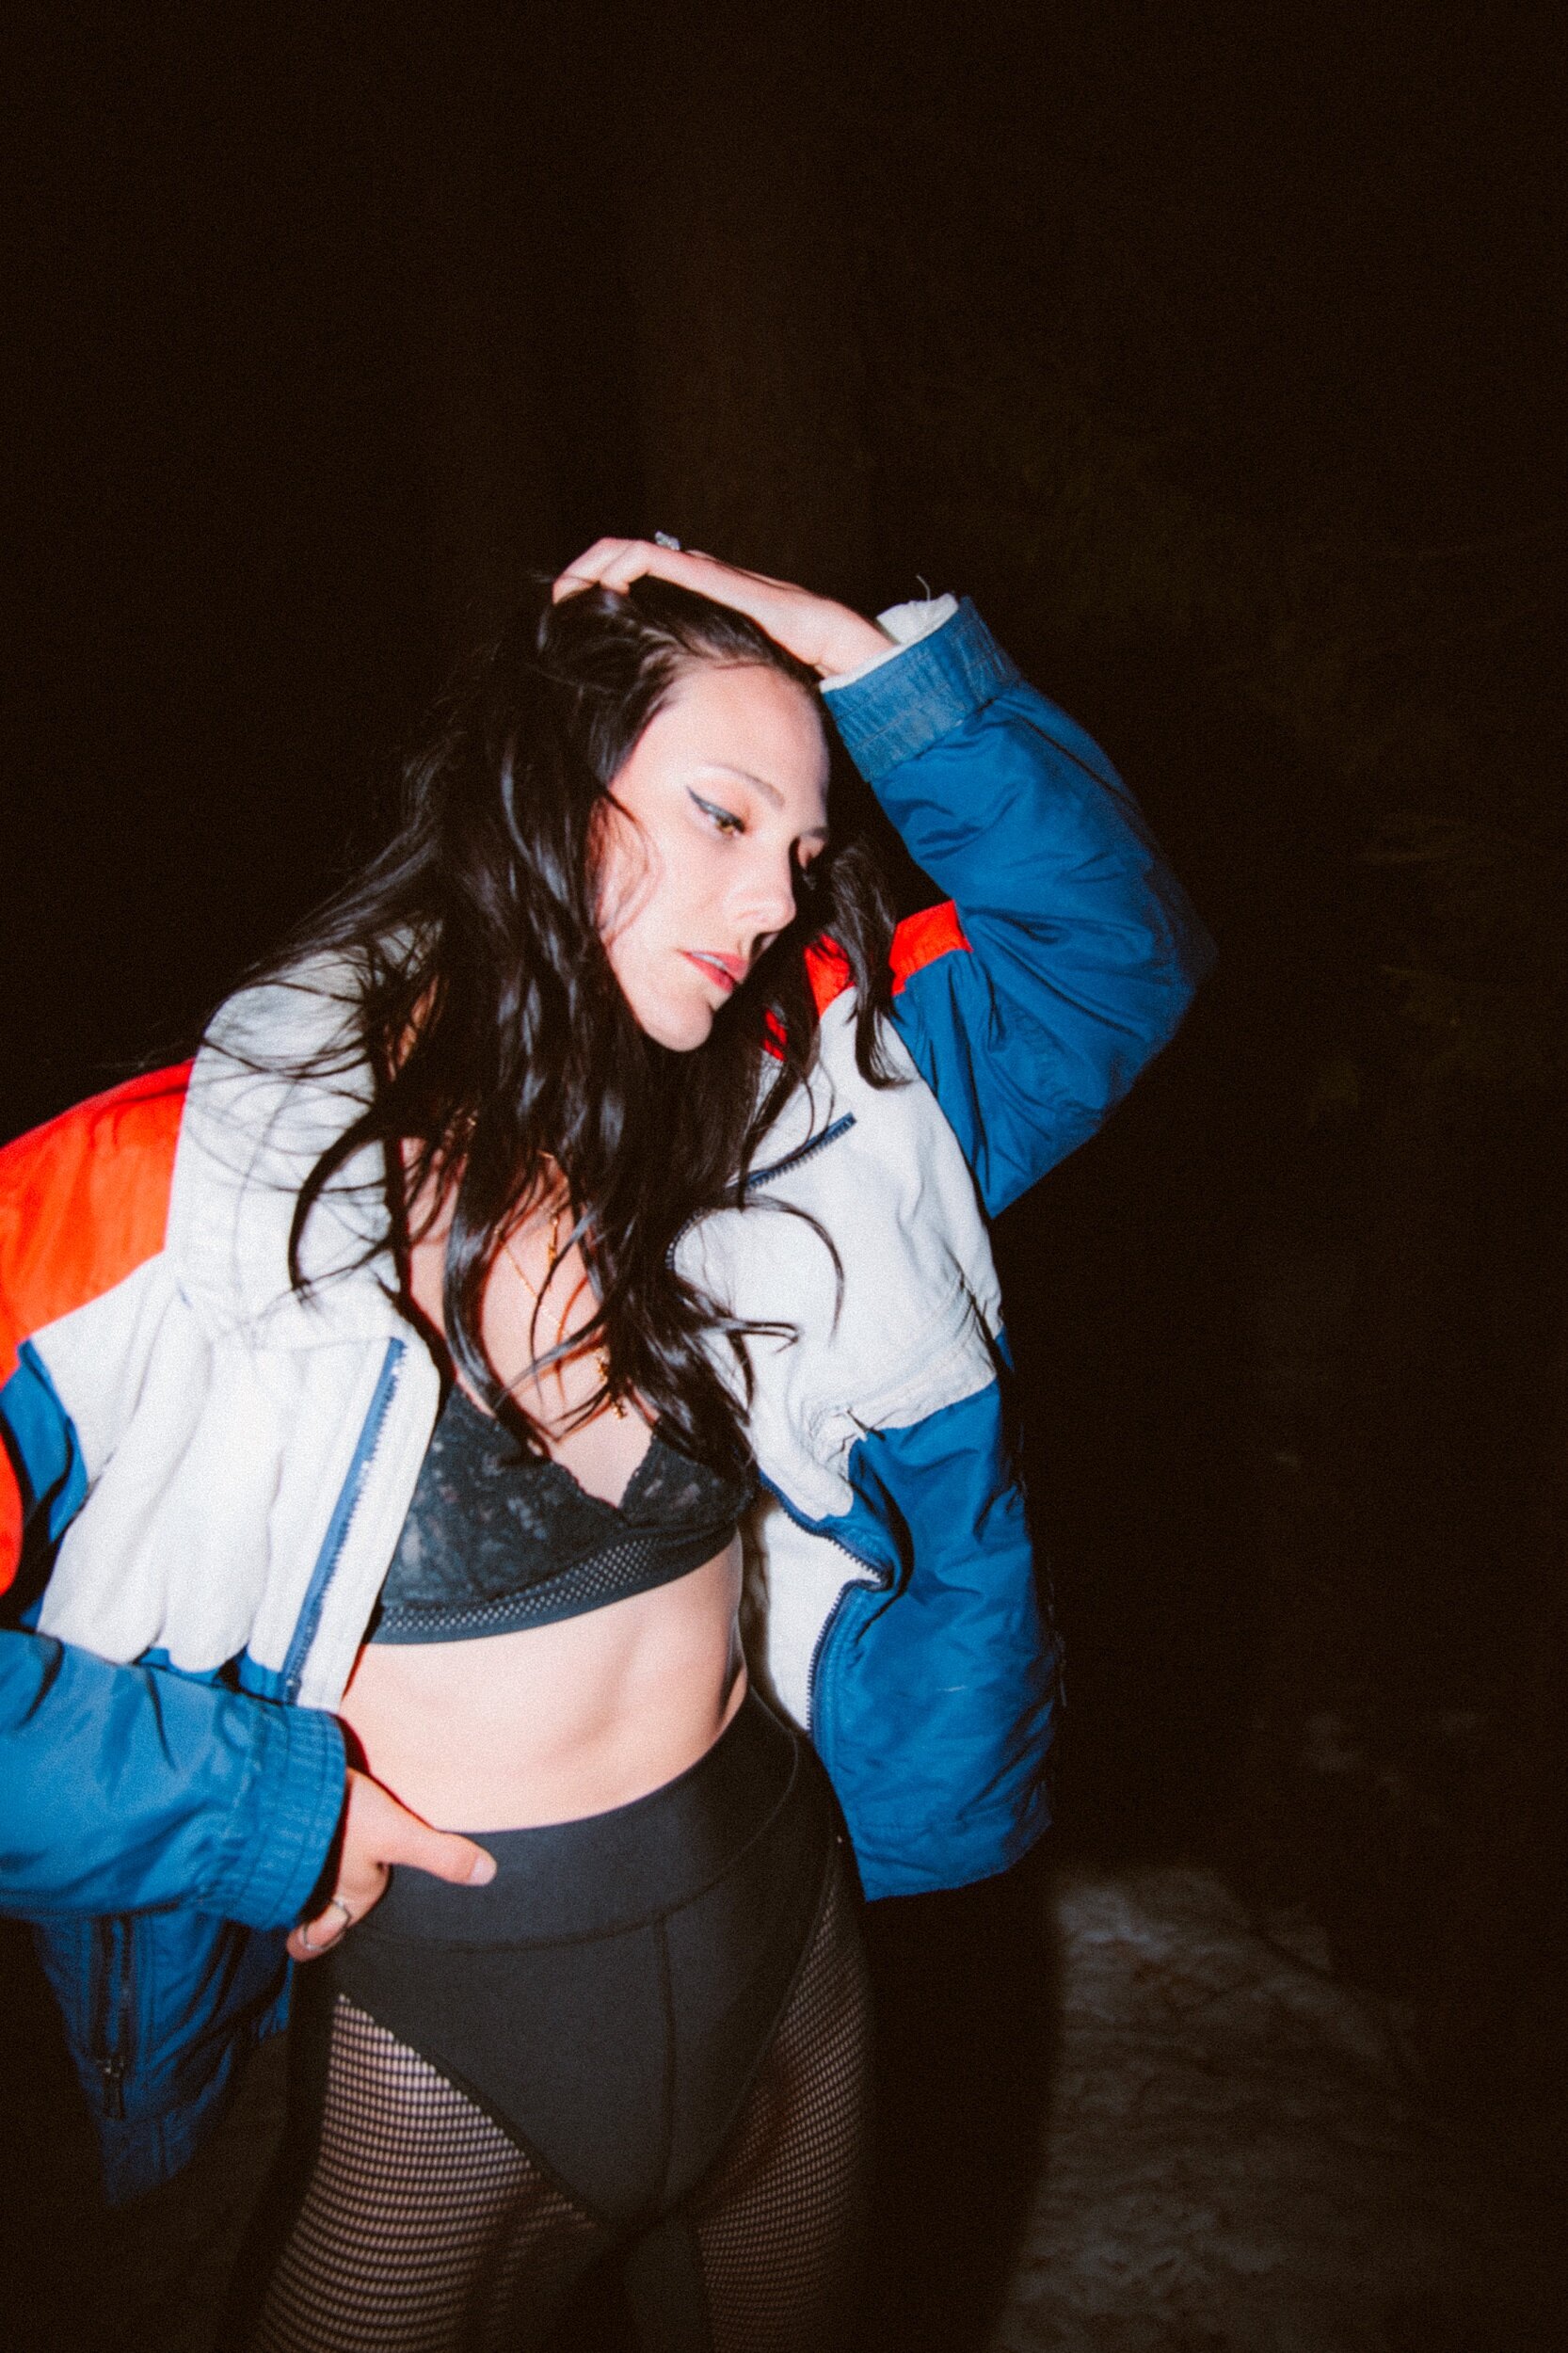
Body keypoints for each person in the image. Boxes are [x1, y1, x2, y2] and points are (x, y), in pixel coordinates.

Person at [0, 543, 1212, 2351]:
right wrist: (252, 1810)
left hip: (791, 1961)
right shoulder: (156, 1205)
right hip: (454, 2039)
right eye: (720, 814)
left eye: (801, 849)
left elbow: (1113, 953)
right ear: (538, 791)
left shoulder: (810, 1113)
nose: (771, 899)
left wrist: (856, 659)